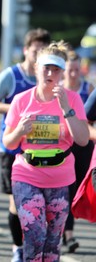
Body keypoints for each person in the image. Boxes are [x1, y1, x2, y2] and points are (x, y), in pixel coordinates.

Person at [2, 41, 89, 261]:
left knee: (52, 243)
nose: (50, 73)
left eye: (56, 69)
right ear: (36, 68)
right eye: (46, 68)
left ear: (62, 72)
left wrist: (66, 109)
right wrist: (20, 130)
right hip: (26, 173)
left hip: (60, 177)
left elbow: (82, 139)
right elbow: (9, 142)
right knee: (34, 234)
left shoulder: (73, 99)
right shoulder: (21, 100)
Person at [0, 28, 51, 262]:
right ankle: (17, 248)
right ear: (26, 50)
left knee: (42, 203)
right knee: (16, 203)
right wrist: (16, 109)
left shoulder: (49, 79)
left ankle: (39, 248)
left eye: (43, 51)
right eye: (35, 51)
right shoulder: (11, 76)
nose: (38, 55)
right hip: (13, 146)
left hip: (43, 147)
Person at [61, 49, 95, 253]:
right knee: (66, 189)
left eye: (76, 70)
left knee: (78, 191)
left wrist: (88, 133)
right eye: (69, 70)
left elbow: (88, 123)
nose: (73, 74)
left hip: (85, 146)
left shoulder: (88, 88)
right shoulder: (59, 92)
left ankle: (67, 232)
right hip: (65, 145)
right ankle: (68, 234)